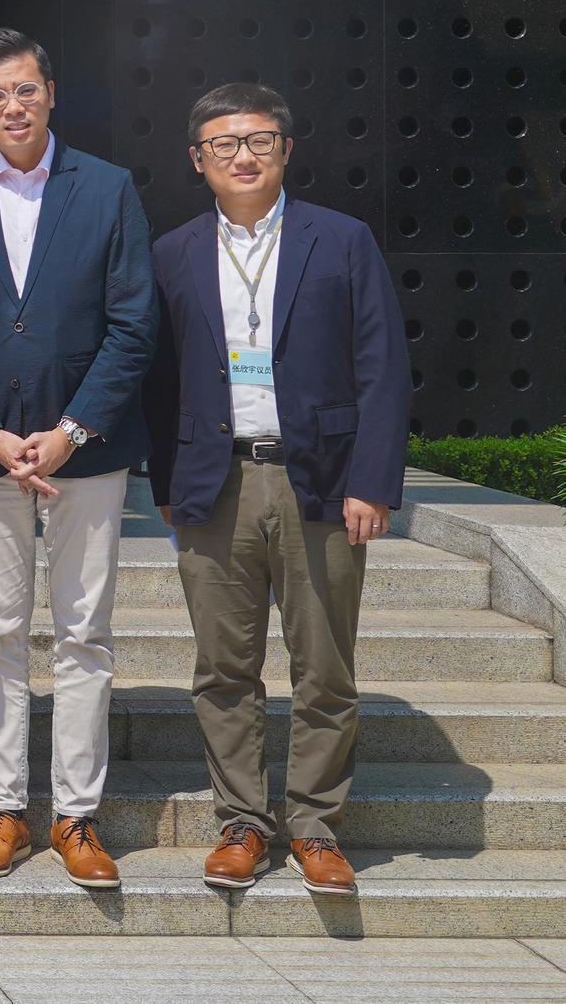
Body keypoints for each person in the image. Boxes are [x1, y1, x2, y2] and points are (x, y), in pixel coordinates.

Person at [143, 82, 408, 898]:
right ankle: (242, 823)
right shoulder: (174, 250)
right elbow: (158, 378)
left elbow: (382, 365)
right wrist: (164, 479)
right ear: (199, 160)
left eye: (259, 139)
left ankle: (316, 825)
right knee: (224, 667)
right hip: (213, 479)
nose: (243, 154)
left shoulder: (343, 239)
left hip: (320, 480)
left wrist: (372, 479)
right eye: (224, 144)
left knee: (324, 664)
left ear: (287, 149)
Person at [0, 28, 156, 890]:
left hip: (84, 455)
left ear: (51, 92)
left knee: (84, 631)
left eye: (25, 90)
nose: (12, 107)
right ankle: (3, 809)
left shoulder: (107, 187)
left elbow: (134, 324)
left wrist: (72, 429)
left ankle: (75, 812)